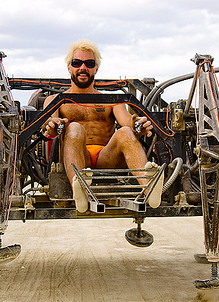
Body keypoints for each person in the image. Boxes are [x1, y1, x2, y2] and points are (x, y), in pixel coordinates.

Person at [42, 39, 163, 213]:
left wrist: (138, 125)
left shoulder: (111, 101)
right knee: (74, 128)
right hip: (77, 157)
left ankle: (150, 188)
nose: (83, 67)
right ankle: (80, 192)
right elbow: (51, 124)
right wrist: (53, 125)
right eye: (77, 63)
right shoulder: (55, 101)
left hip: (107, 158)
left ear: (95, 69)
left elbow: (127, 121)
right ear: (69, 67)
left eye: (89, 63)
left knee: (126, 132)